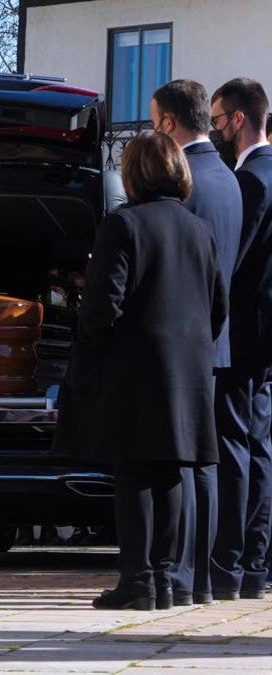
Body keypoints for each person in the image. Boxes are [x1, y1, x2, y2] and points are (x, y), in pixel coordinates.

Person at [55, 132, 225, 610]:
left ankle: (139, 579)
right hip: (188, 367)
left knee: (134, 475)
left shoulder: (122, 224)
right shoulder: (199, 230)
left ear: (133, 173)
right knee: (171, 471)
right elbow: (218, 304)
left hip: (134, 365)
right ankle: (167, 580)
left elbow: (102, 304)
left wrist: (86, 351)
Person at [151, 79, 243, 607]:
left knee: (185, 463)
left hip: (187, 343)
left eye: (153, 119)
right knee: (204, 463)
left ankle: (183, 576)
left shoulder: (189, 182)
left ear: (168, 123)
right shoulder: (227, 178)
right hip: (214, 340)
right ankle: (203, 578)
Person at [210, 78, 272, 601]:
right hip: (265, 335)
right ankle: (256, 563)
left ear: (238, 119)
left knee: (239, 447)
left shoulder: (252, 180)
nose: (215, 130)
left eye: (217, 119)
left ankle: (236, 563)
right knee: (261, 445)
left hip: (247, 334)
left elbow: (232, 267)